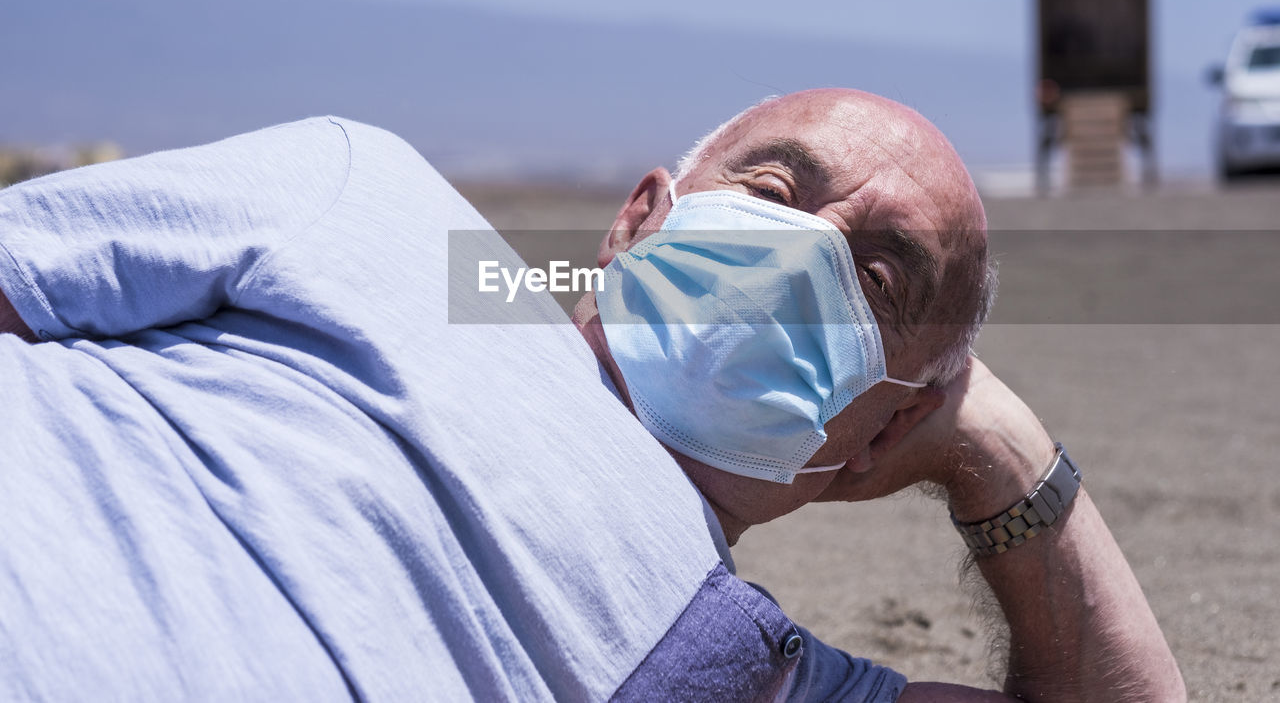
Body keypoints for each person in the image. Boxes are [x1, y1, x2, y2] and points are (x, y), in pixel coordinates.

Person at [0, 89, 1183, 701]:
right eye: (772, 188)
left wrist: (995, 447)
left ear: (877, 432)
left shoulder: (735, 666)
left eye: (874, 278)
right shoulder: (364, 198)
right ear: (636, 219)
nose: (796, 255)